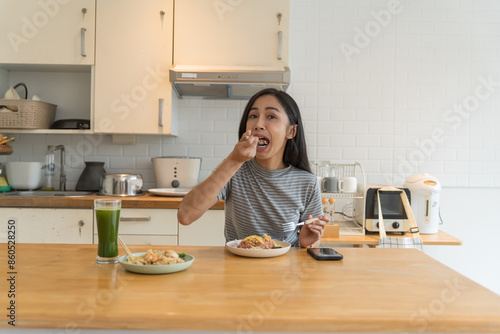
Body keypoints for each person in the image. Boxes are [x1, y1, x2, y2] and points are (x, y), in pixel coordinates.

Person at [178, 88, 328, 247]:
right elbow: (185, 216)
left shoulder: (307, 183)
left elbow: (313, 245)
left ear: (291, 131)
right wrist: (233, 161)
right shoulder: (233, 171)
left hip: (286, 269)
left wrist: (307, 244)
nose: (258, 124)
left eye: (271, 116)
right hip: (239, 268)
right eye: (253, 116)